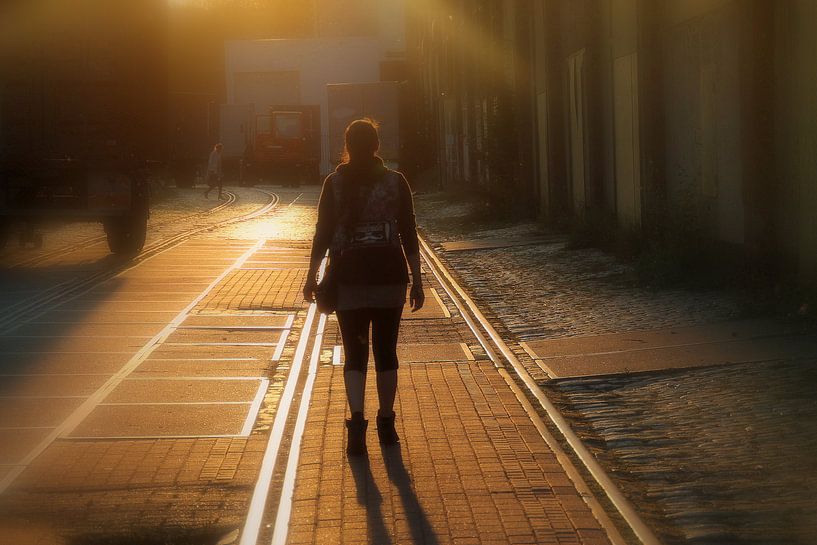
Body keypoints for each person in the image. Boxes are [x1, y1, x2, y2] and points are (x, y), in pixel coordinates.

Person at [303, 119, 425, 457]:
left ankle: (356, 425)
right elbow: (410, 234)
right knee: (387, 352)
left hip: (349, 279)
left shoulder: (334, 184)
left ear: (347, 145)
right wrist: (417, 280)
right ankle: (387, 423)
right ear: (376, 146)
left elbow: (322, 234)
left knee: (354, 355)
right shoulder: (396, 182)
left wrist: (311, 277)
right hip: (390, 278)